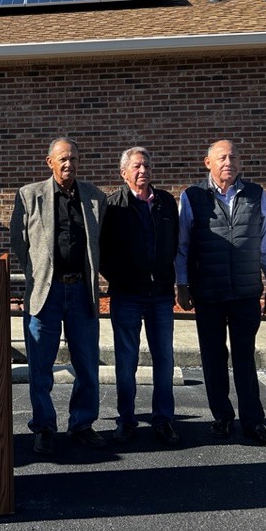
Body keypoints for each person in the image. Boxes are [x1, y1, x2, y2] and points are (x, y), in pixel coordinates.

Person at [176, 139, 266, 448]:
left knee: (244, 358)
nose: (229, 162)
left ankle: (253, 421)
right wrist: (181, 285)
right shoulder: (192, 196)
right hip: (207, 292)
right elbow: (182, 246)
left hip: (245, 292)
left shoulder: (256, 194)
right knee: (213, 358)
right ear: (207, 162)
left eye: (234, 157)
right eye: (222, 157)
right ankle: (222, 417)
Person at [10, 138, 107, 455]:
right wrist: (37, 273)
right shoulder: (30, 195)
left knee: (87, 364)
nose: (70, 164)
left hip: (81, 291)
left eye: (75, 159)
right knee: (40, 367)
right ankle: (44, 427)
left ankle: (82, 424)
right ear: (49, 161)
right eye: (63, 159)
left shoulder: (94, 198)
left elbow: (101, 243)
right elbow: (19, 242)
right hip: (45, 292)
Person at [99, 147, 181, 446]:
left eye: (146, 165)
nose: (142, 170)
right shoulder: (113, 205)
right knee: (126, 362)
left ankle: (163, 420)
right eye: (136, 166)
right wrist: (120, 278)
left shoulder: (166, 203)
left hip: (160, 294)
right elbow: (102, 252)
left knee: (164, 359)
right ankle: (126, 420)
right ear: (124, 173)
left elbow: (175, 244)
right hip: (127, 296)